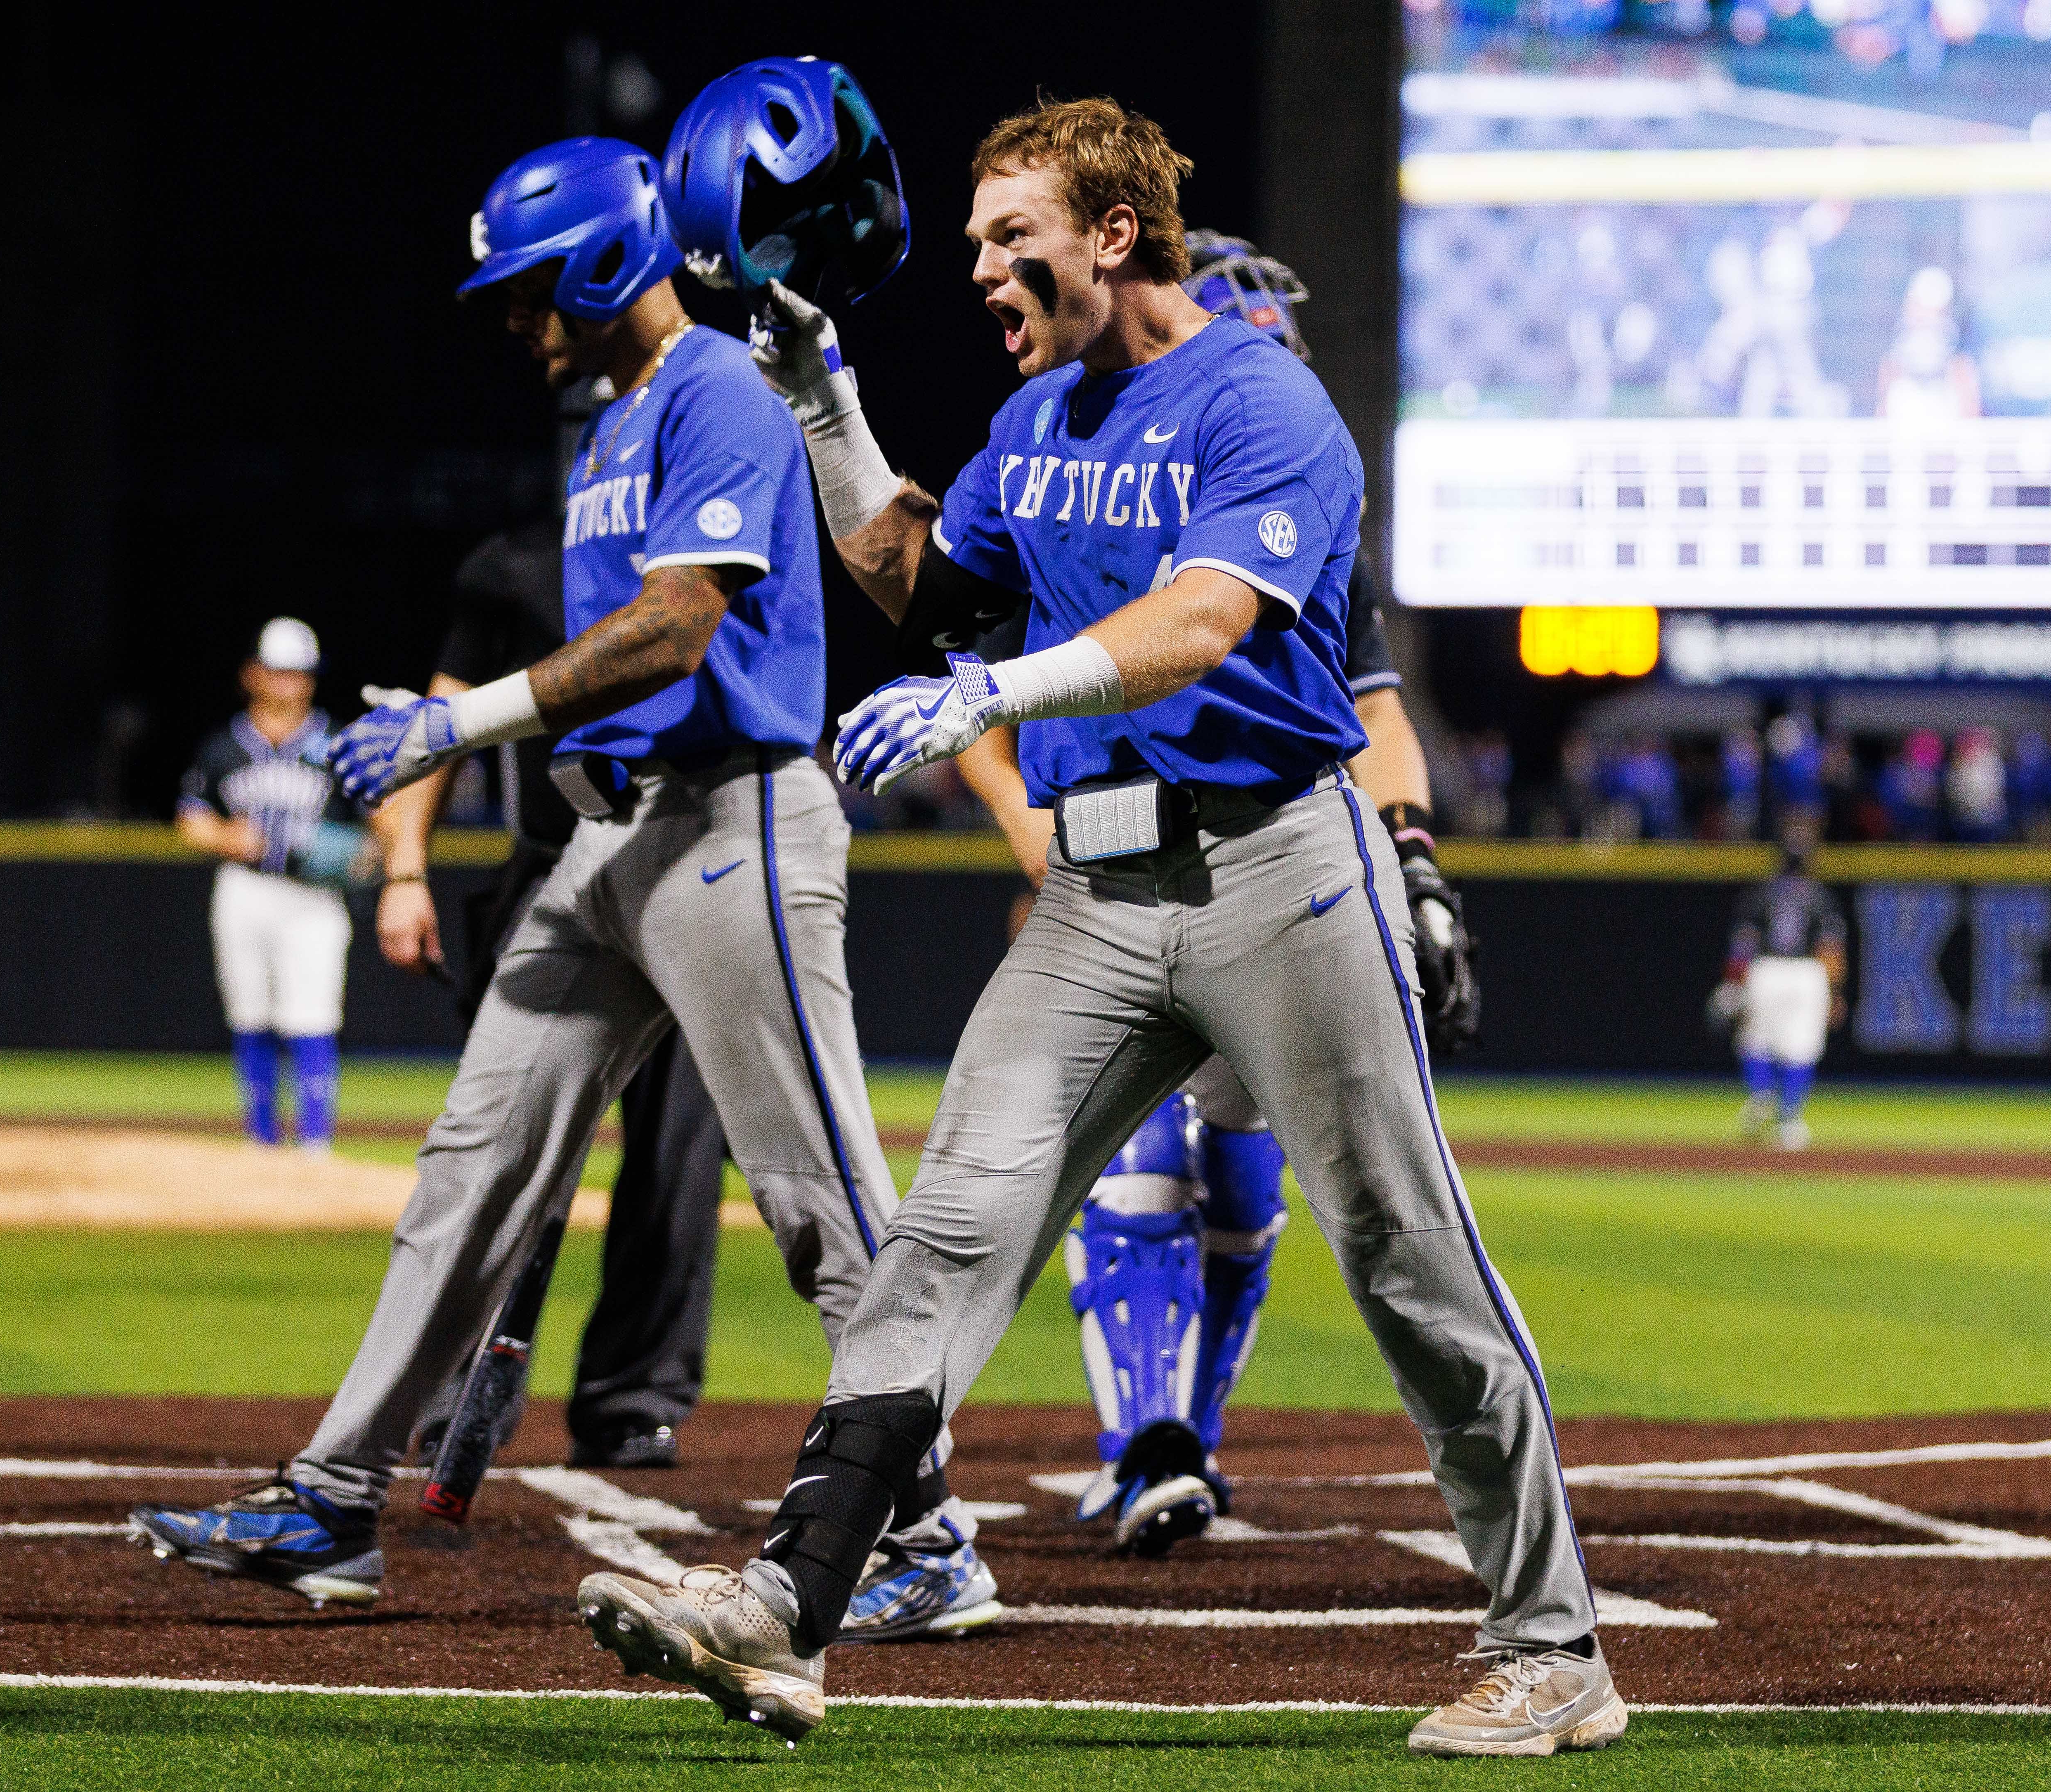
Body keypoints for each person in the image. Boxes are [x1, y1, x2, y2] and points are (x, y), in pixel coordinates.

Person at [579, 94, 1623, 1757]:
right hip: (1098, 892)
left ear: (1114, 234)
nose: (982, 266)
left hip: (1278, 866)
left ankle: (1552, 1642)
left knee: (1405, 1261)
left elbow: (1204, 620)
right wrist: (822, 397)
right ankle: (786, 1603)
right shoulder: (1042, 415)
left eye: (1013, 236)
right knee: (946, 1234)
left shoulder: (1264, 399)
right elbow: (917, 579)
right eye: (983, 236)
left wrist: (998, 685)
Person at [129, 132, 998, 1644]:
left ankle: (920, 1528)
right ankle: (335, 1497)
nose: (519, 324)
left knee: (819, 1199)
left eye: (531, 292)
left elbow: (672, 633)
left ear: (603, 262)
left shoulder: (719, 388)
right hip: (604, 842)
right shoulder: (610, 425)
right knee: (469, 1167)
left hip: (732, 824)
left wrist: (455, 722)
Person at [950, 227, 1482, 1559]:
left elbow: (1377, 714)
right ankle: (1147, 1443)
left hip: (1264, 879)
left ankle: (1194, 1431)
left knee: (1251, 1191)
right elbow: (963, 665)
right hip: (1115, 869)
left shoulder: (1285, 501)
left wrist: (1413, 858)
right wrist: (1027, 820)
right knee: (1120, 1173)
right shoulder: (1077, 477)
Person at [368, 513, 730, 1471]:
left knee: (679, 1160)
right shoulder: (514, 558)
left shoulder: (720, 549)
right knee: (510, 1143)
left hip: (692, 864)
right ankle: (456, 1388)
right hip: (548, 864)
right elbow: (442, 716)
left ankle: (634, 1400)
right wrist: (406, 870)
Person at [175, 617, 372, 1151]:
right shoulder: (224, 748)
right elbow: (190, 819)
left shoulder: (338, 744)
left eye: (299, 672)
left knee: (312, 1013)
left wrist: (353, 855)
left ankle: (314, 1145)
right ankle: (260, 1140)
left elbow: (379, 829)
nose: (288, 682)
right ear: (254, 674)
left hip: (312, 896)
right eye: (279, 671)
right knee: (249, 1010)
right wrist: (227, 837)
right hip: (246, 888)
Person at [1713, 832, 1847, 1151]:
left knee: (1755, 1042)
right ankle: (1789, 1121)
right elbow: (1830, 950)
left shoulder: (1761, 894)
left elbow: (1742, 948)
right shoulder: (1820, 897)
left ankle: (1761, 1092)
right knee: (1801, 1049)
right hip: (1806, 973)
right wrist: (1835, 991)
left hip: (1766, 970)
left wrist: (1734, 984)